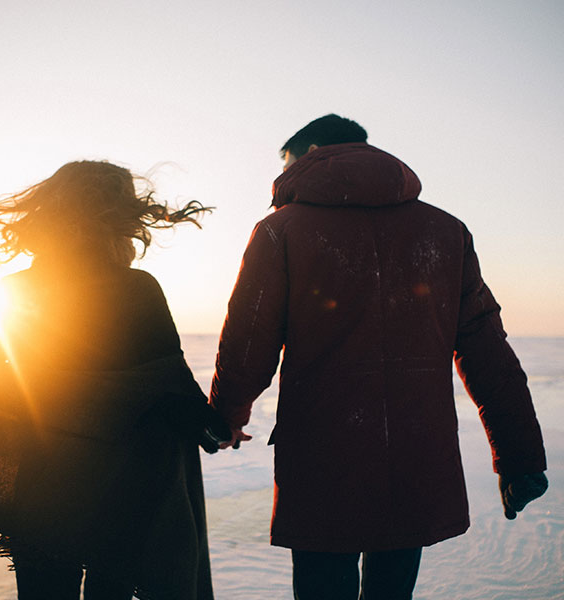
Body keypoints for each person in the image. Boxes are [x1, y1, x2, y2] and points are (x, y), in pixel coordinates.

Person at [209, 114, 548, 599]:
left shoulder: (281, 230)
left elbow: (247, 345)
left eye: (288, 165)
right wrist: (518, 457)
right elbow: (486, 348)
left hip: (323, 455)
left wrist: (224, 418)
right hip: (417, 452)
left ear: (309, 155)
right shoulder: (445, 231)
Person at [0, 160, 221, 600]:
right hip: (126, 496)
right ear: (123, 219)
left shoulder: (14, 289)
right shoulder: (137, 288)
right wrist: (216, 422)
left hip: (45, 487)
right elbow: (172, 389)